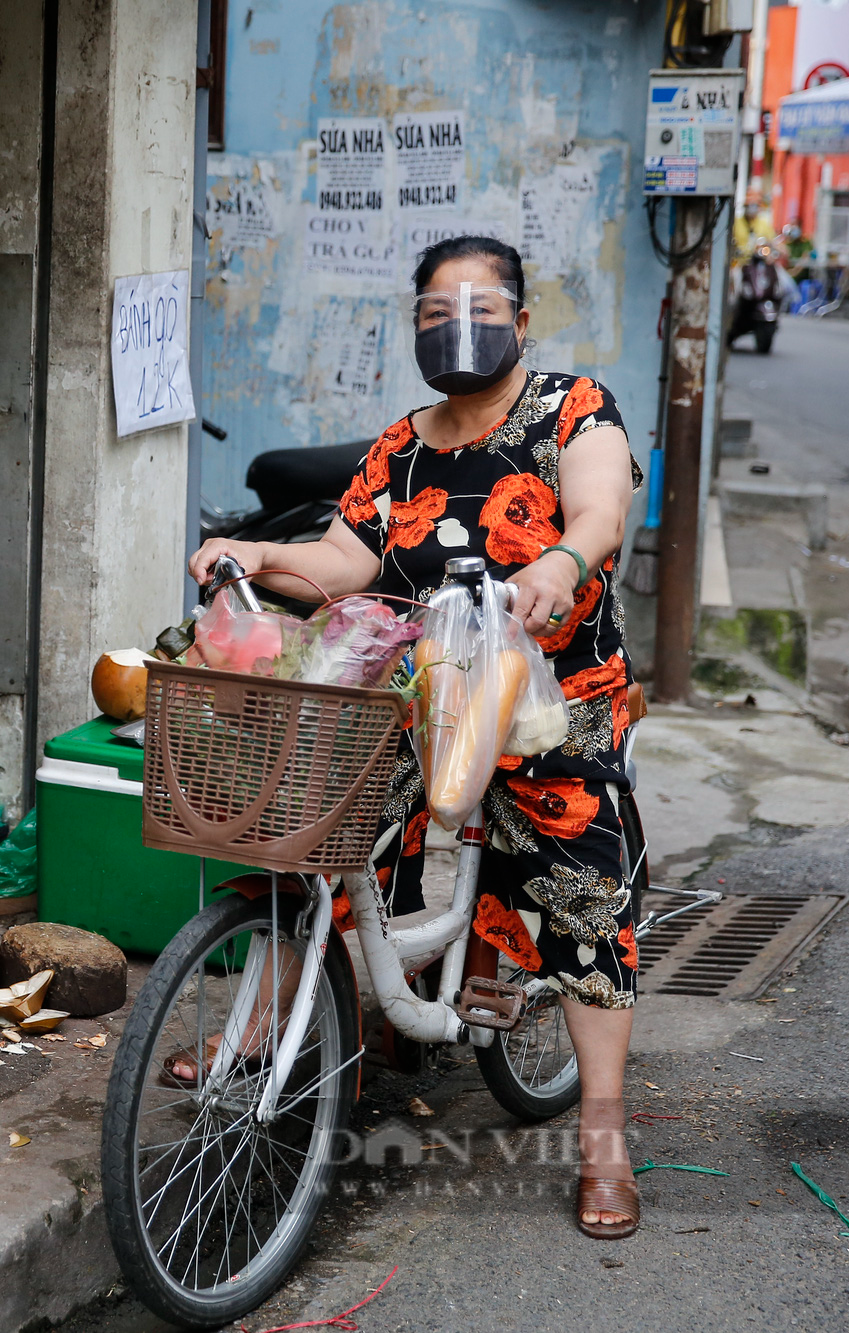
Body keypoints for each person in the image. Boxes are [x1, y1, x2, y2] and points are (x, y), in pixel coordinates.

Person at [188, 235, 645, 1240]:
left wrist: (562, 564)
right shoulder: (399, 446)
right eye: (435, 315)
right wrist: (248, 552)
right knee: (312, 819)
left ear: (521, 322)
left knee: (581, 894)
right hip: (418, 694)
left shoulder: (572, 409)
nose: (458, 331)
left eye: (479, 310)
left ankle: (603, 1141)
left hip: (547, 700)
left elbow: (600, 508)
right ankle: (262, 1032)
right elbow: (342, 562)